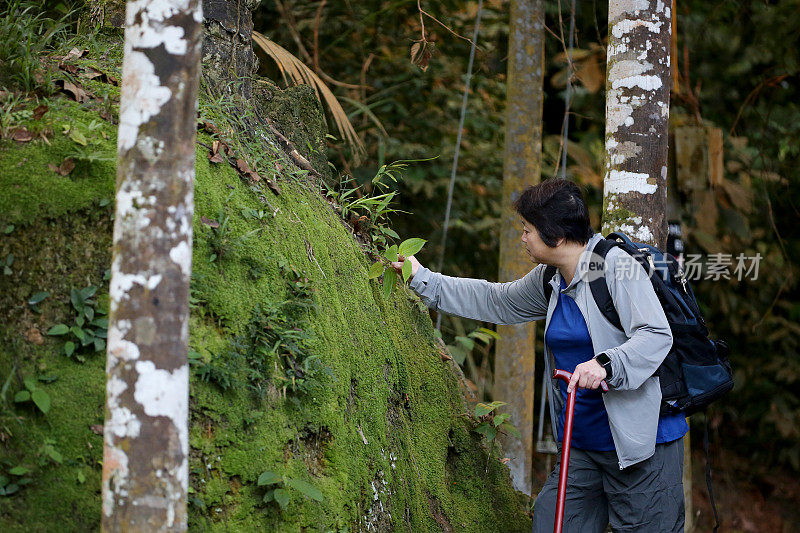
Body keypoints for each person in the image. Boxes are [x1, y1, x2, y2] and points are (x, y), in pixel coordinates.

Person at [392, 179, 687, 532]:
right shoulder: (553, 277)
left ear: (557, 237)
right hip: (581, 447)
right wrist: (422, 279)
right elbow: (497, 300)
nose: (523, 238)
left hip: (642, 448)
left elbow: (656, 335)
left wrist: (607, 364)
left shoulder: (612, 268)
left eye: (528, 230)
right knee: (551, 523)